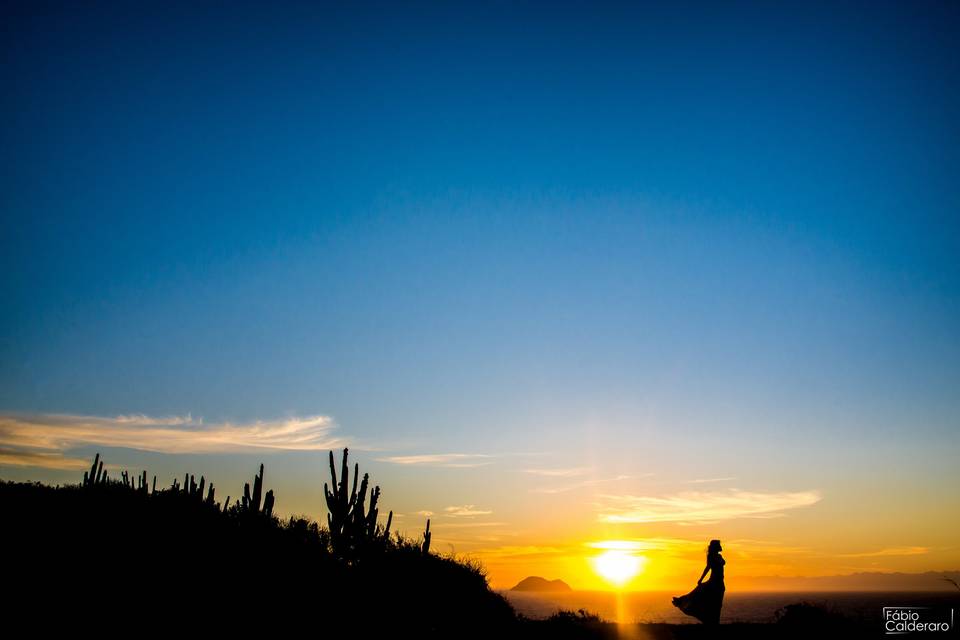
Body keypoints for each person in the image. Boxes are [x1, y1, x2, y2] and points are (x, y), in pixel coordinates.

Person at [671, 539, 725, 624]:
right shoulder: (711, 556)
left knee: (717, 603)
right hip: (714, 581)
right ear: (715, 547)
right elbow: (707, 568)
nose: (720, 546)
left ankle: (714, 621)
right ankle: (681, 601)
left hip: (720, 582)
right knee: (699, 595)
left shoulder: (719, 556)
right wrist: (701, 579)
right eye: (718, 545)